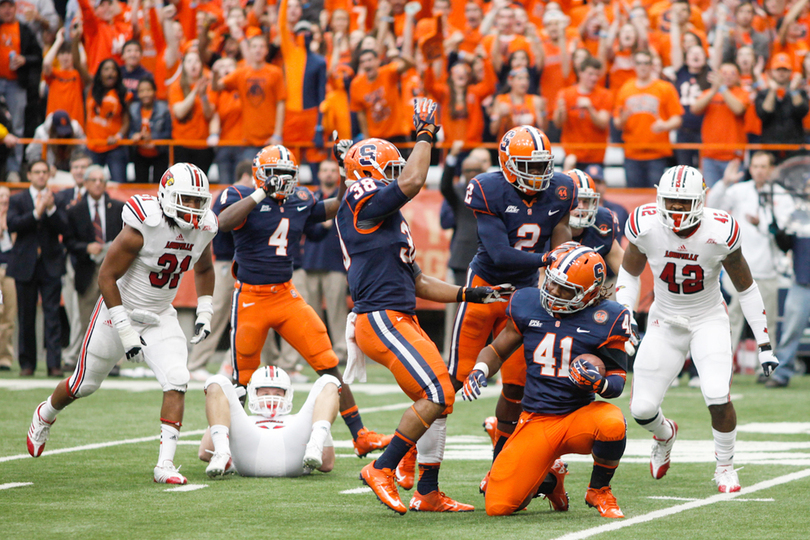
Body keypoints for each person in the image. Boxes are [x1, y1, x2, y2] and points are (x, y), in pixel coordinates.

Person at [338, 99, 512, 515]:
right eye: (389, 172)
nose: (397, 179)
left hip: (401, 315)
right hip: (379, 318)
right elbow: (416, 180)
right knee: (435, 391)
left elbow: (417, 281)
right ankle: (382, 467)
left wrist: (469, 294)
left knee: (442, 397)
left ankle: (428, 490)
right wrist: (424, 133)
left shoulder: (389, 220)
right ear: (367, 175)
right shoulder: (359, 197)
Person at [26, 163, 218, 485]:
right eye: (188, 199)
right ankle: (45, 413)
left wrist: (205, 310)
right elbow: (106, 276)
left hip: (159, 314)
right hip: (118, 309)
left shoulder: (204, 227)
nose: (195, 209)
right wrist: (126, 330)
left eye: (199, 201)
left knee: (177, 377)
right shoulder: (145, 223)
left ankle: (165, 465)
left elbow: (205, 268)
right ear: (168, 195)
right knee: (82, 385)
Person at [216, 144, 390, 459]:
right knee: (242, 378)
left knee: (328, 363)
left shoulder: (300, 201)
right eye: (276, 175)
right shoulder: (239, 196)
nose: (283, 181)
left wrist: (341, 171)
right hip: (250, 298)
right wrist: (259, 194)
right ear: (260, 175)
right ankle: (224, 446)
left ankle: (361, 434)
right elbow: (223, 223)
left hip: (285, 294)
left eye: (287, 175)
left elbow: (337, 205)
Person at [615, 165, 779, 493]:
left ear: (700, 201)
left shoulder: (719, 231)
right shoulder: (645, 224)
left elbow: (745, 288)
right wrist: (625, 314)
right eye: (670, 201)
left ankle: (725, 466)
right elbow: (630, 273)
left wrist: (763, 342)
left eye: (682, 202)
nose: (674, 210)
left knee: (717, 394)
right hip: (664, 321)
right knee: (642, 409)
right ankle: (665, 435)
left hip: (708, 319)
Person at [463, 244, 631, 518]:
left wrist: (598, 384)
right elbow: (497, 349)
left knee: (612, 423)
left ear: (588, 293)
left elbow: (617, 381)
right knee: (498, 506)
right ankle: (551, 480)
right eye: (552, 283)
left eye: (565, 289)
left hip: (578, 417)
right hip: (536, 420)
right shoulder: (527, 302)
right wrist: (480, 369)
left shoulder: (607, 317)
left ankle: (599, 489)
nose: (553, 292)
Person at [449, 125, 575, 466]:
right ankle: (412, 460)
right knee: (452, 382)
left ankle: (499, 465)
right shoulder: (487, 189)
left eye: (542, 165)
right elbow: (501, 254)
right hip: (485, 290)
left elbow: (560, 236)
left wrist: (563, 261)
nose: (538, 173)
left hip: (524, 295)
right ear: (507, 164)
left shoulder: (562, 189)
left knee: (516, 388)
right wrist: (548, 260)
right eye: (529, 165)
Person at [706, 153, 793, 357]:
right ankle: (723, 363)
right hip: (737, 269)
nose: (759, 170)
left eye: (764, 166)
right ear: (750, 168)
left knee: (766, 322)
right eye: (755, 166)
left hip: (767, 270)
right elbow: (712, 205)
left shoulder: (781, 195)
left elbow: (784, 229)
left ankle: (767, 365)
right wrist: (724, 182)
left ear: (772, 169)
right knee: (731, 320)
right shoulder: (739, 190)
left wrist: (761, 224)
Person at [198, 366, 340, 478]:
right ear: (254, 394)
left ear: (287, 395)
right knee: (217, 382)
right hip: (248, 455)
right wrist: (224, 406)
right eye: (265, 394)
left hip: (294, 455)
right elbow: (204, 453)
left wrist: (320, 427)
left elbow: (327, 465)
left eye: (278, 394)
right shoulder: (245, 421)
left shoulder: (297, 420)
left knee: (329, 381)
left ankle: (315, 445)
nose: (272, 399)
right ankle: (222, 453)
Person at [187, 160, 254, 380]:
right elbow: (216, 224)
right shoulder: (231, 194)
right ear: (247, 176)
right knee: (216, 313)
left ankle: (250, 363)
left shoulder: (253, 196)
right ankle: (196, 362)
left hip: (249, 262)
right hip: (228, 262)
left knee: (255, 315)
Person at [6, 160, 66, 377]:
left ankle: (53, 364)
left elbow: (65, 228)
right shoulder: (18, 199)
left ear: (48, 175)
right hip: (25, 264)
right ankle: (27, 363)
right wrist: (36, 213)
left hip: (50, 264)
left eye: (44, 172)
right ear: (29, 175)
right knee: (26, 316)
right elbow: (12, 224)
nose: (41, 176)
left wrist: (50, 211)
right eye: (37, 172)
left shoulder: (57, 198)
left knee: (52, 316)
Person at [63, 165, 125, 357]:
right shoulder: (75, 210)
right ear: (86, 183)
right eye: (94, 180)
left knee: (115, 315)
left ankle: (114, 361)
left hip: (113, 268)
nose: (98, 184)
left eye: (102, 180)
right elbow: (69, 241)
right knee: (87, 317)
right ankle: (87, 358)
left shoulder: (118, 207)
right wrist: (86, 247)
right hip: (87, 268)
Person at [301, 160, 349, 364]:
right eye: (325, 171)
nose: (329, 174)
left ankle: (341, 352)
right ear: (318, 174)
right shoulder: (311, 199)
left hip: (335, 263)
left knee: (338, 312)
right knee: (311, 315)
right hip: (310, 263)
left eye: (332, 171)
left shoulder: (345, 199)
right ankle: (316, 351)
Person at [614, 50, 684, 188]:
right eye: (639, 63)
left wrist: (664, 125)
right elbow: (617, 122)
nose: (643, 66)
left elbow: (677, 119)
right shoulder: (626, 88)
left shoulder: (665, 88)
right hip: (632, 152)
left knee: (655, 197)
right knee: (634, 197)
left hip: (657, 153)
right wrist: (622, 119)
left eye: (646, 63)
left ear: (652, 65)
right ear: (634, 65)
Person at [213, 35, 286, 162]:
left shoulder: (275, 72)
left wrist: (277, 134)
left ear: (266, 50)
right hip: (248, 141)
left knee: (271, 179)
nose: (258, 50)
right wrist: (214, 72)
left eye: (261, 46)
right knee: (248, 178)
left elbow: (281, 102)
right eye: (254, 46)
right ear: (249, 50)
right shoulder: (241, 73)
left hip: (270, 139)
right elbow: (217, 86)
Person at [0, 0, 41, 177]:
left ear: (16, 9)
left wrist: (24, 59)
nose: (7, 10)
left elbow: (37, 56)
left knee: (16, 127)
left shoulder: (24, 29)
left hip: (16, 83)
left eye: (10, 6)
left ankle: (13, 169)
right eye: (3, 6)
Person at [563, 170, 624, 282]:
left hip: (595, 288)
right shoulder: (548, 223)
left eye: (586, 201)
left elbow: (628, 275)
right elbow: (540, 276)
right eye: (576, 200)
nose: (580, 207)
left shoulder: (602, 221)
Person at [130, 77, 172, 183]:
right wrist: (134, 136)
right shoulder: (133, 108)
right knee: (140, 185)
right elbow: (129, 130)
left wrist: (153, 139)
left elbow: (169, 132)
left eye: (148, 90)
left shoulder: (164, 108)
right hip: (140, 155)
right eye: (142, 91)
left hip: (159, 155)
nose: (145, 94)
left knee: (159, 185)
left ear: (154, 91)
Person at [0, 185, 16, 371]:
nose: (4, 199)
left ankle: (5, 356)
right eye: (1, 196)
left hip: (10, 269)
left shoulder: (13, 218)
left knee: (8, 315)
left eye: (6, 196)